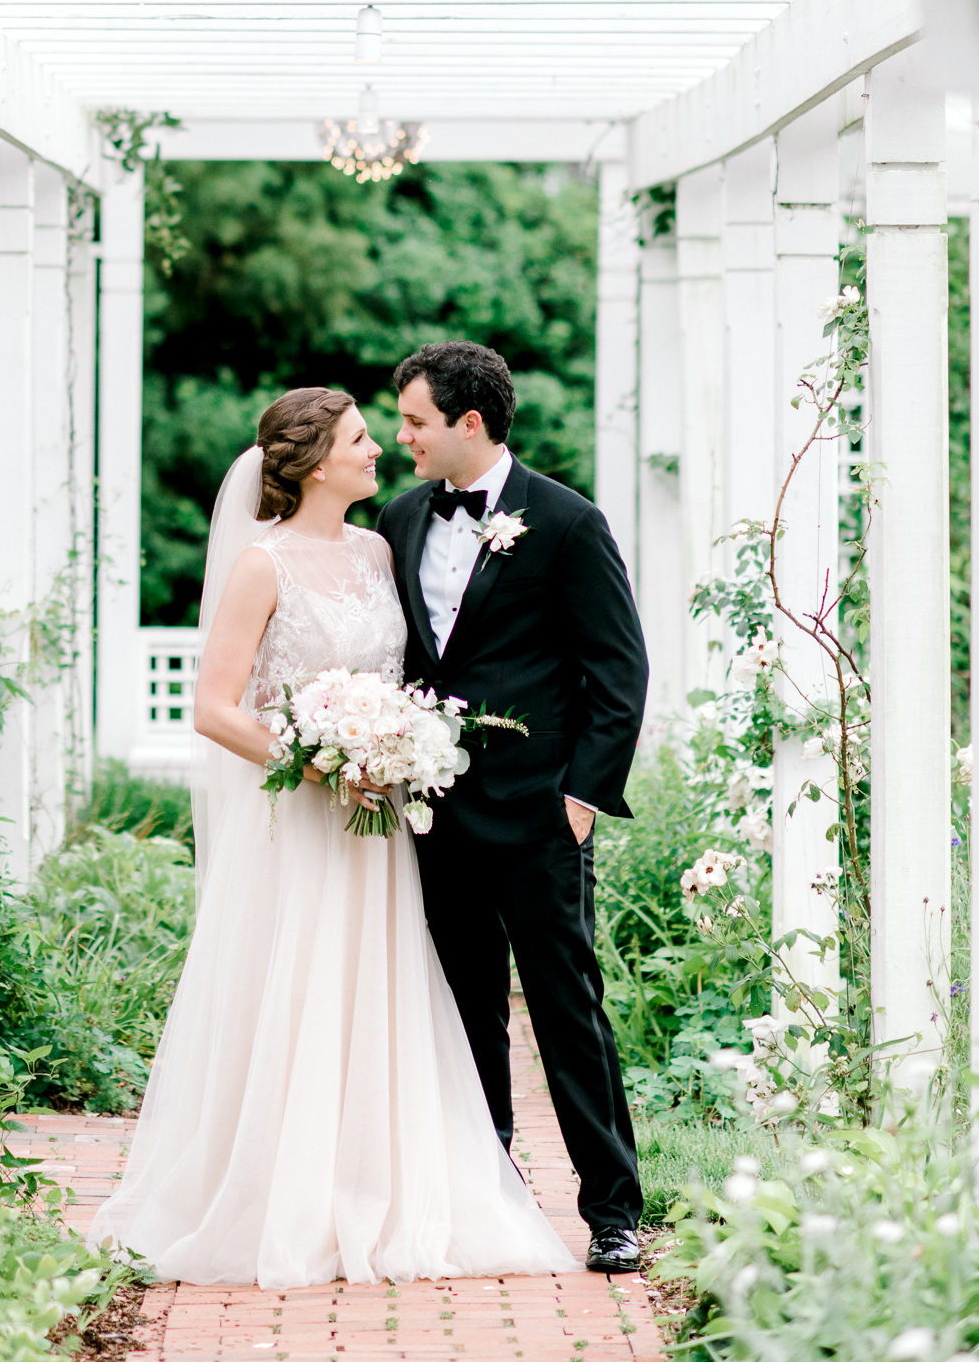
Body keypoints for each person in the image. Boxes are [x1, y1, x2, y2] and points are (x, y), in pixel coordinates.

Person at [86, 386, 573, 1289]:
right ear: (315, 464)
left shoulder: (379, 548)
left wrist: (391, 742)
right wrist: (316, 757)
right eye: (359, 438)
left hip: (379, 825)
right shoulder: (260, 566)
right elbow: (213, 709)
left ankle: (378, 1183)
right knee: (299, 990)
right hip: (303, 821)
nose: (380, 448)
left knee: (375, 991)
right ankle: (285, 1194)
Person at [377, 342, 649, 1276]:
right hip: (434, 813)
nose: (398, 435)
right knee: (464, 1011)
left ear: (468, 423)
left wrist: (581, 798)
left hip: (539, 817)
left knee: (568, 1011)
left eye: (413, 420)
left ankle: (614, 1209)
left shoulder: (568, 524)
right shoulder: (399, 518)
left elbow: (618, 670)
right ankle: (489, 1196)